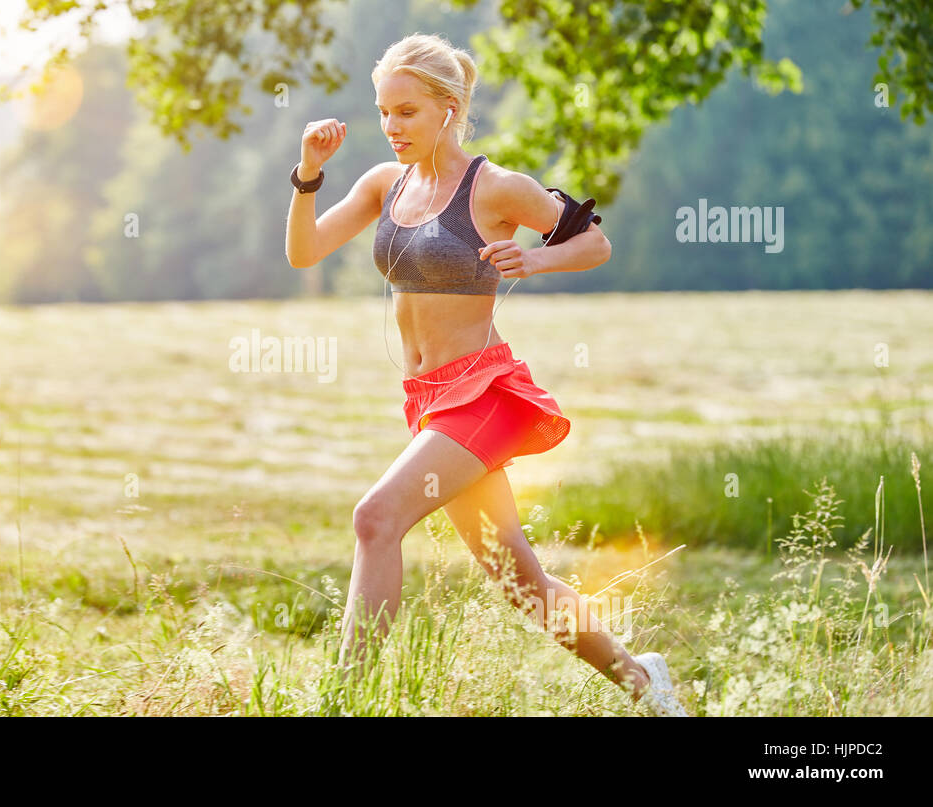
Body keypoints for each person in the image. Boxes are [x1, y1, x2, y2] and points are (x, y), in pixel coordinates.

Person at [284, 32, 687, 716]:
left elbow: (594, 240)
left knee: (375, 517)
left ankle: (344, 704)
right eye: (384, 111)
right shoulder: (387, 183)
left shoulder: (494, 186)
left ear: (448, 108)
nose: (391, 126)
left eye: (406, 111)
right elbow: (304, 251)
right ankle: (643, 682)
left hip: (484, 392)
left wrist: (537, 260)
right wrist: (308, 172)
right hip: (429, 403)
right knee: (517, 578)